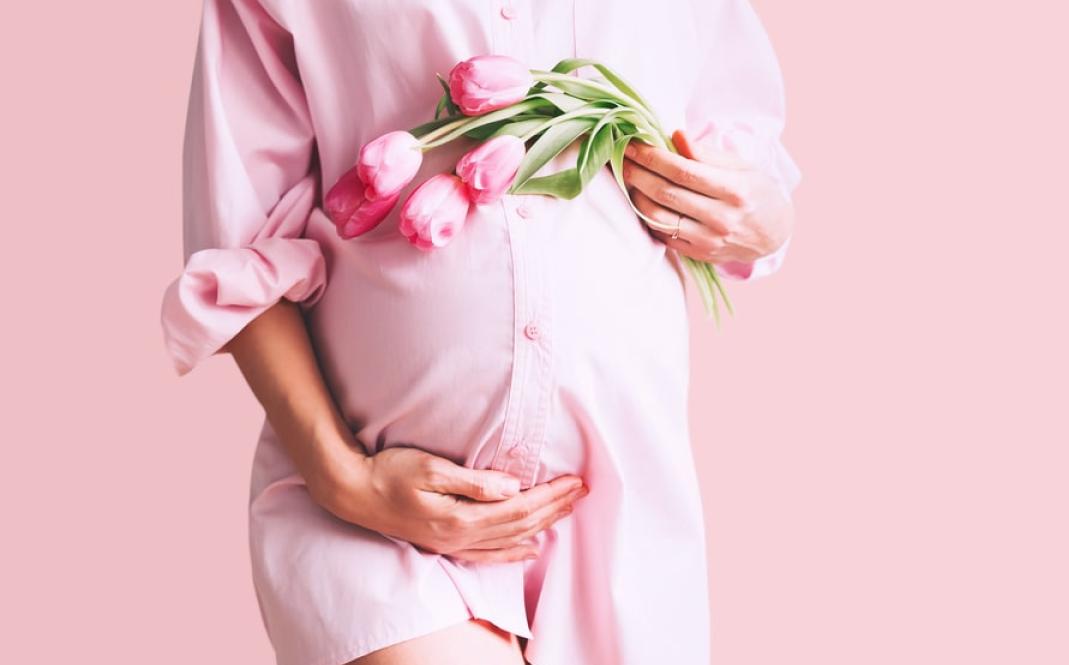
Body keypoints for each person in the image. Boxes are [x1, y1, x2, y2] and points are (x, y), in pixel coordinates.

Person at [160, 0, 801, 663]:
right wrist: (343, 476)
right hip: (378, 509)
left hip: (620, 511)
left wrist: (758, 215)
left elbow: (746, 153)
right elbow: (242, 227)